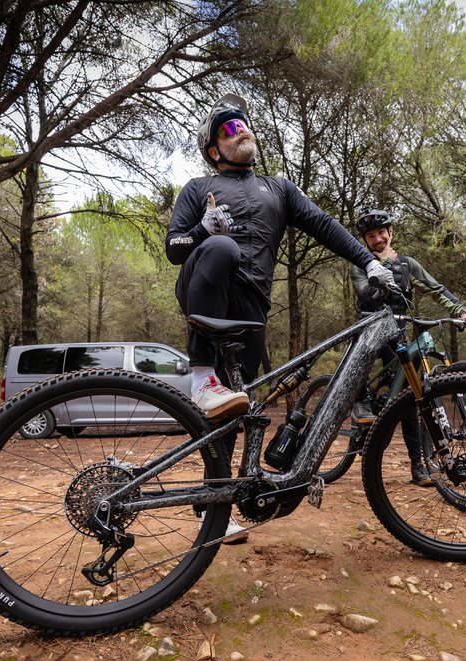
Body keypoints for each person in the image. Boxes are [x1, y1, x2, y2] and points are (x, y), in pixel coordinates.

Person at [165, 94, 394, 539]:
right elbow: (173, 249)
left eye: (244, 124)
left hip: (251, 312)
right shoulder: (197, 188)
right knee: (222, 246)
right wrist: (200, 230)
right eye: (230, 129)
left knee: (233, 408)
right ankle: (199, 375)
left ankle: (214, 507)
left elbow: (325, 225)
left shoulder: (280, 188)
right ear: (214, 150)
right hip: (206, 293)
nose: (242, 130)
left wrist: (368, 261)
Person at [348, 208, 466, 486]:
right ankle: (360, 403)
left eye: (381, 233)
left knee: (412, 400)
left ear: (390, 232)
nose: (377, 239)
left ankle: (418, 467)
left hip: (398, 334)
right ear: (366, 240)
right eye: (370, 236)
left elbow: (436, 288)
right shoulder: (359, 263)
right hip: (370, 330)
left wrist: (461, 310)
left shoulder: (408, 265)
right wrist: (380, 273)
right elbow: (366, 296)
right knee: (356, 363)